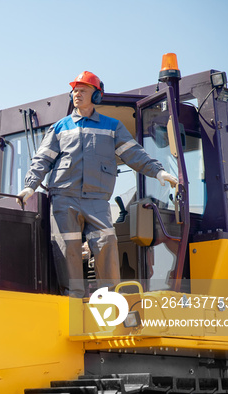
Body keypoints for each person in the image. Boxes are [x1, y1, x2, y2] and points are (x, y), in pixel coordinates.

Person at [17, 71, 177, 297]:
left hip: (97, 200)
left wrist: (158, 172)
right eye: (74, 90)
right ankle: (73, 297)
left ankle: (109, 297)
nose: (77, 94)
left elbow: (133, 154)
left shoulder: (112, 127)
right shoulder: (60, 127)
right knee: (68, 247)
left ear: (96, 96)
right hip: (64, 197)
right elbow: (42, 158)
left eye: (82, 90)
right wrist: (31, 185)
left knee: (106, 243)